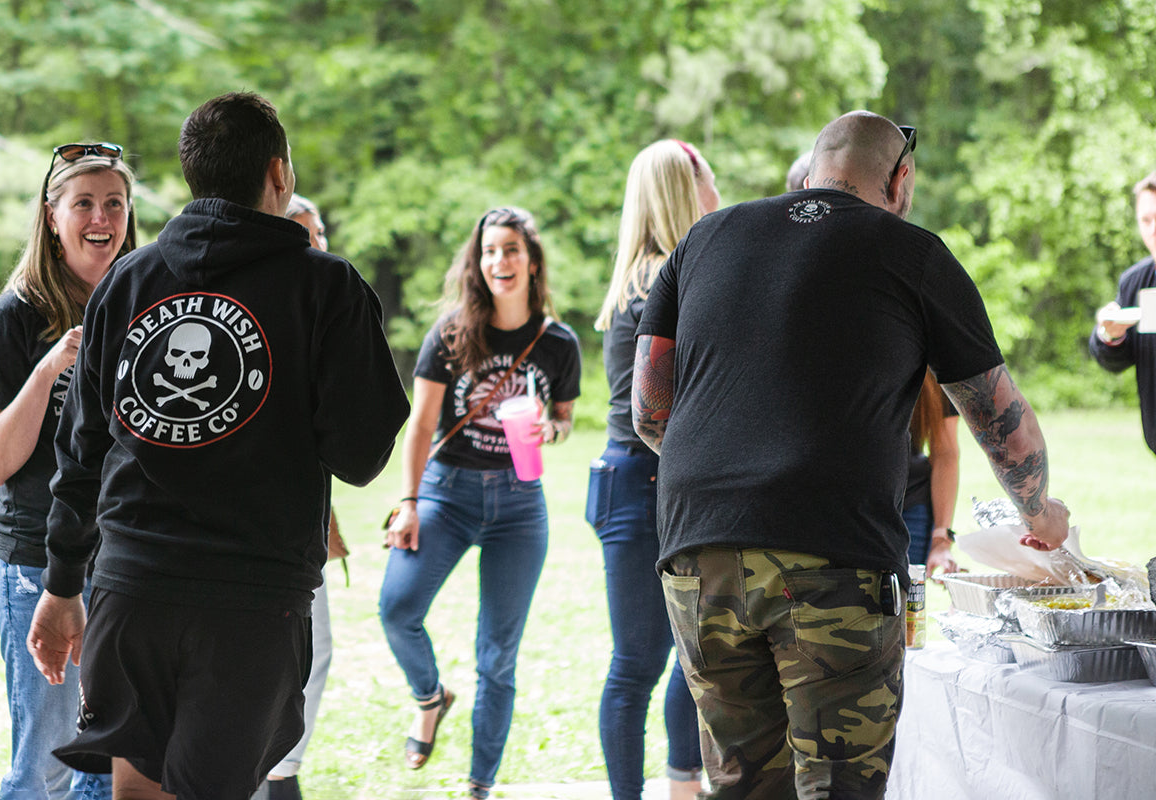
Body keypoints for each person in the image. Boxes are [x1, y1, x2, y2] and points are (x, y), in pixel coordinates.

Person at [632, 111, 1070, 799]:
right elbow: (999, 423)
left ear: (812, 168)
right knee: (840, 788)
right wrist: (1041, 514)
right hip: (830, 556)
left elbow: (649, 410)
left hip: (697, 553)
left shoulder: (705, 238)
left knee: (744, 787)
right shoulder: (912, 252)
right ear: (900, 178)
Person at [29, 92, 408, 800]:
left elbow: (79, 452)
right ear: (279, 173)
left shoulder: (128, 281)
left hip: (130, 592)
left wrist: (61, 584)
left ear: (192, 176)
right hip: (250, 603)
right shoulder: (326, 289)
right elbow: (362, 456)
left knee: (137, 795)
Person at [380, 205, 580, 800]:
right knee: (397, 607)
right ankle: (430, 696)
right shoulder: (450, 333)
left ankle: (479, 784)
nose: (500, 261)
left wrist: (552, 430)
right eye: (490, 251)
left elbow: (565, 419)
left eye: (512, 250)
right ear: (477, 262)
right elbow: (419, 426)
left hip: (521, 504)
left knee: (497, 656)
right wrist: (410, 500)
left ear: (532, 259)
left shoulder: (557, 342)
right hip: (448, 491)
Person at [0, 142, 136, 800]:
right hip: (39, 563)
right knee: (46, 759)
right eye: (85, 203)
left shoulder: (141, 305)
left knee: (115, 755)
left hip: (128, 558)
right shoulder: (15, 318)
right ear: (51, 215)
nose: (102, 218)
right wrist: (49, 369)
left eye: (115, 203)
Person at [588, 140, 713, 800]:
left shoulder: (652, 275)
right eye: (710, 183)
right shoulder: (664, 281)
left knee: (687, 654)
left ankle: (681, 784)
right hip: (643, 483)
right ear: (684, 193)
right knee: (639, 662)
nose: (718, 197)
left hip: (639, 482)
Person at [249, 194, 350, 800]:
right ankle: (271, 780)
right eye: (300, 234)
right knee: (281, 658)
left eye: (319, 234)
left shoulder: (321, 309)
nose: (314, 245)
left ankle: (280, 775)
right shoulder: (269, 312)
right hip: (256, 529)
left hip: (301, 522)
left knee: (314, 654)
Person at [1088, 170, 1156, 457]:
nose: (1153, 228)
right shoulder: (1137, 283)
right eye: (1146, 220)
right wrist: (1109, 334)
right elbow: (1116, 358)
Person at [903, 373, 960, 576]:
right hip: (841, 504)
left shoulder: (936, 365)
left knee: (905, 605)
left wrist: (941, 539)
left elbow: (945, 453)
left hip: (909, 509)